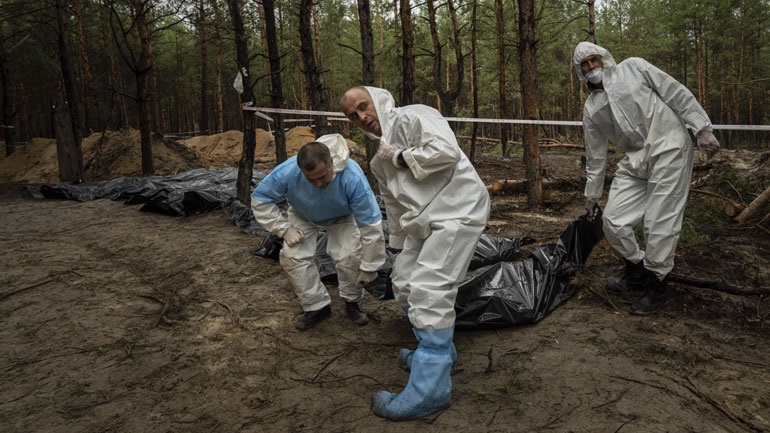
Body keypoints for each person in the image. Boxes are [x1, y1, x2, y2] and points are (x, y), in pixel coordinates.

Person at [340, 86, 490, 421]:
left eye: (364, 107)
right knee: (405, 282)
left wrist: (402, 157)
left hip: (457, 208)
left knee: (429, 288)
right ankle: (439, 351)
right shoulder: (379, 156)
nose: (363, 117)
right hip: (423, 220)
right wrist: (397, 244)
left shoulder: (414, 116)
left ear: (377, 100)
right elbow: (393, 202)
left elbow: (446, 152)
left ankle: (430, 392)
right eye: (353, 115)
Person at [573, 42, 720, 315]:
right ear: (580, 71)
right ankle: (638, 269)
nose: (591, 67)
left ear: (603, 58)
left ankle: (657, 284)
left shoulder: (634, 68)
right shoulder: (592, 108)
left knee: (659, 221)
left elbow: (673, 91)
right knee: (613, 221)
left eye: (594, 60)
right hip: (635, 159)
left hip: (670, 147)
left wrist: (702, 128)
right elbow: (595, 154)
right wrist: (591, 194)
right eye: (585, 64)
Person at [250, 133, 386, 330]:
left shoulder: (352, 176)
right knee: (293, 256)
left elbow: (371, 224)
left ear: (331, 163)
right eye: (311, 179)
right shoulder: (288, 171)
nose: (318, 184)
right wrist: (283, 229)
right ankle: (316, 306)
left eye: (322, 177)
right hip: (303, 213)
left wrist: (370, 265)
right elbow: (260, 198)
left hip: (342, 216)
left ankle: (352, 301)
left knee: (348, 256)